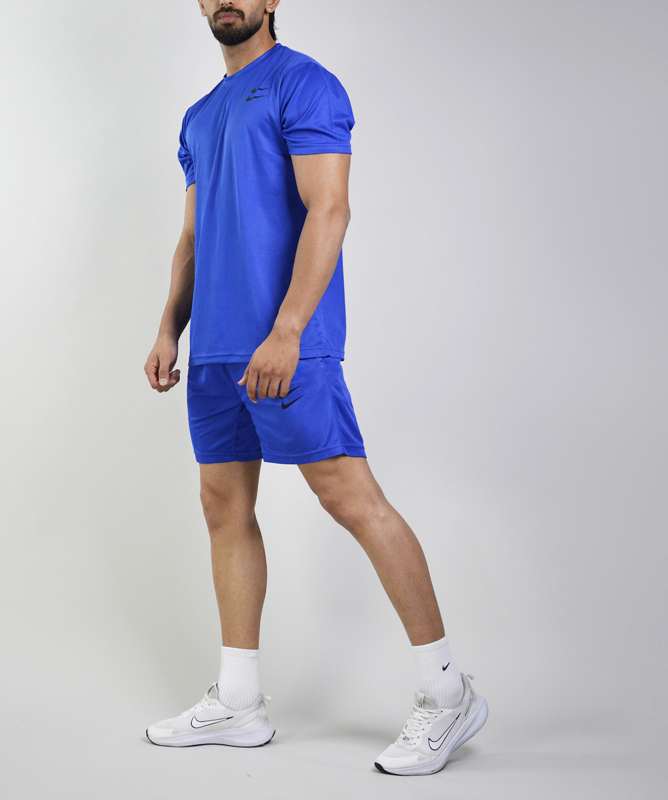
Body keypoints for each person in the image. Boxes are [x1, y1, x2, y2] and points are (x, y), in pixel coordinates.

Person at [143, 1, 487, 776]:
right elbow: (193, 236)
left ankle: (447, 691)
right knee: (223, 507)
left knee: (350, 498)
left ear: (271, 0)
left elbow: (329, 209)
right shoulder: (199, 115)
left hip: (286, 345)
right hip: (215, 350)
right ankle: (239, 702)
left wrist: (290, 328)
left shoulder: (306, 85)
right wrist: (169, 326)